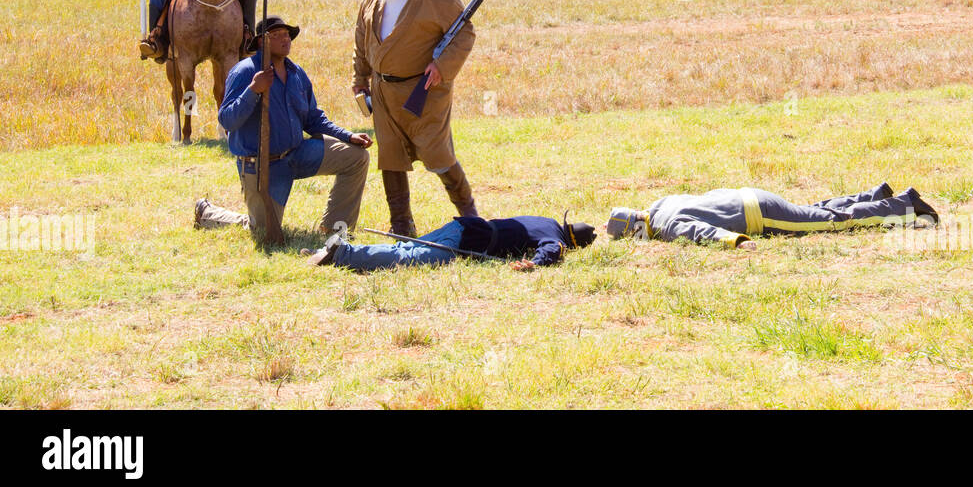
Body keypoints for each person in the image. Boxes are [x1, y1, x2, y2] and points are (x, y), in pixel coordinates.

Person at [197, 16, 372, 241]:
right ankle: (208, 213)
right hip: (262, 166)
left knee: (356, 157)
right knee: (262, 232)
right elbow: (227, 120)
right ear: (261, 42)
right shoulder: (244, 72)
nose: (285, 39)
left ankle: (334, 229)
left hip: (297, 153)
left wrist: (347, 135)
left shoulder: (297, 73)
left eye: (287, 34)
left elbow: (313, 118)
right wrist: (253, 90)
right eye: (277, 35)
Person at [353, 0, 477, 237]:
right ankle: (402, 226)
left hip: (425, 91)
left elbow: (464, 33)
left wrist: (442, 66)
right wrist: (359, 79)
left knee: (437, 154)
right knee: (391, 158)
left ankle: (471, 218)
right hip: (383, 92)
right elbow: (362, 34)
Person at [605, 183, 940, 248]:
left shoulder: (665, 225)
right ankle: (872, 196)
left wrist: (735, 241)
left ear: (634, 230)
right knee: (813, 211)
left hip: (757, 215)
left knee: (832, 223)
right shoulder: (661, 203)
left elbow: (699, 232)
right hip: (752, 195)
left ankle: (906, 206)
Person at [304, 214, 596, 271]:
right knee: (412, 258)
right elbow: (552, 250)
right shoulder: (556, 238)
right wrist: (535, 263)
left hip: (462, 224)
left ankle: (323, 249)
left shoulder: (546, 220)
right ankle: (343, 253)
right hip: (468, 239)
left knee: (403, 248)